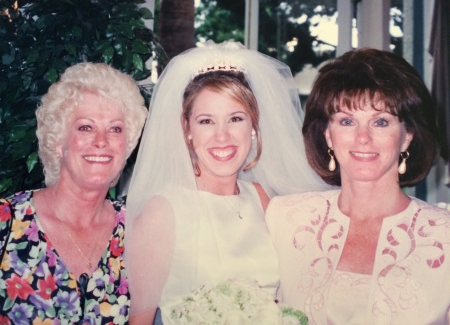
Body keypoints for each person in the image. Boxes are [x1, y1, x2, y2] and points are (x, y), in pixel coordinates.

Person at [125, 40, 329, 324]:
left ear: (254, 125)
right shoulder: (161, 211)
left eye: (235, 118)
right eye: (206, 121)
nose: (222, 136)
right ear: (187, 130)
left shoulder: (266, 201)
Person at [266, 47, 450, 325]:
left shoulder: (444, 237)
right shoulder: (283, 219)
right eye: (347, 121)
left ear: (407, 136)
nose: (363, 137)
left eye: (380, 121)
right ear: (328, 135)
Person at [0, 62, 148, 324]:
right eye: (86, 127)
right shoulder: (6, 221)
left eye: (115, 129)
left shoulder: (138, 230)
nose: (101, 141)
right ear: (58, 141)